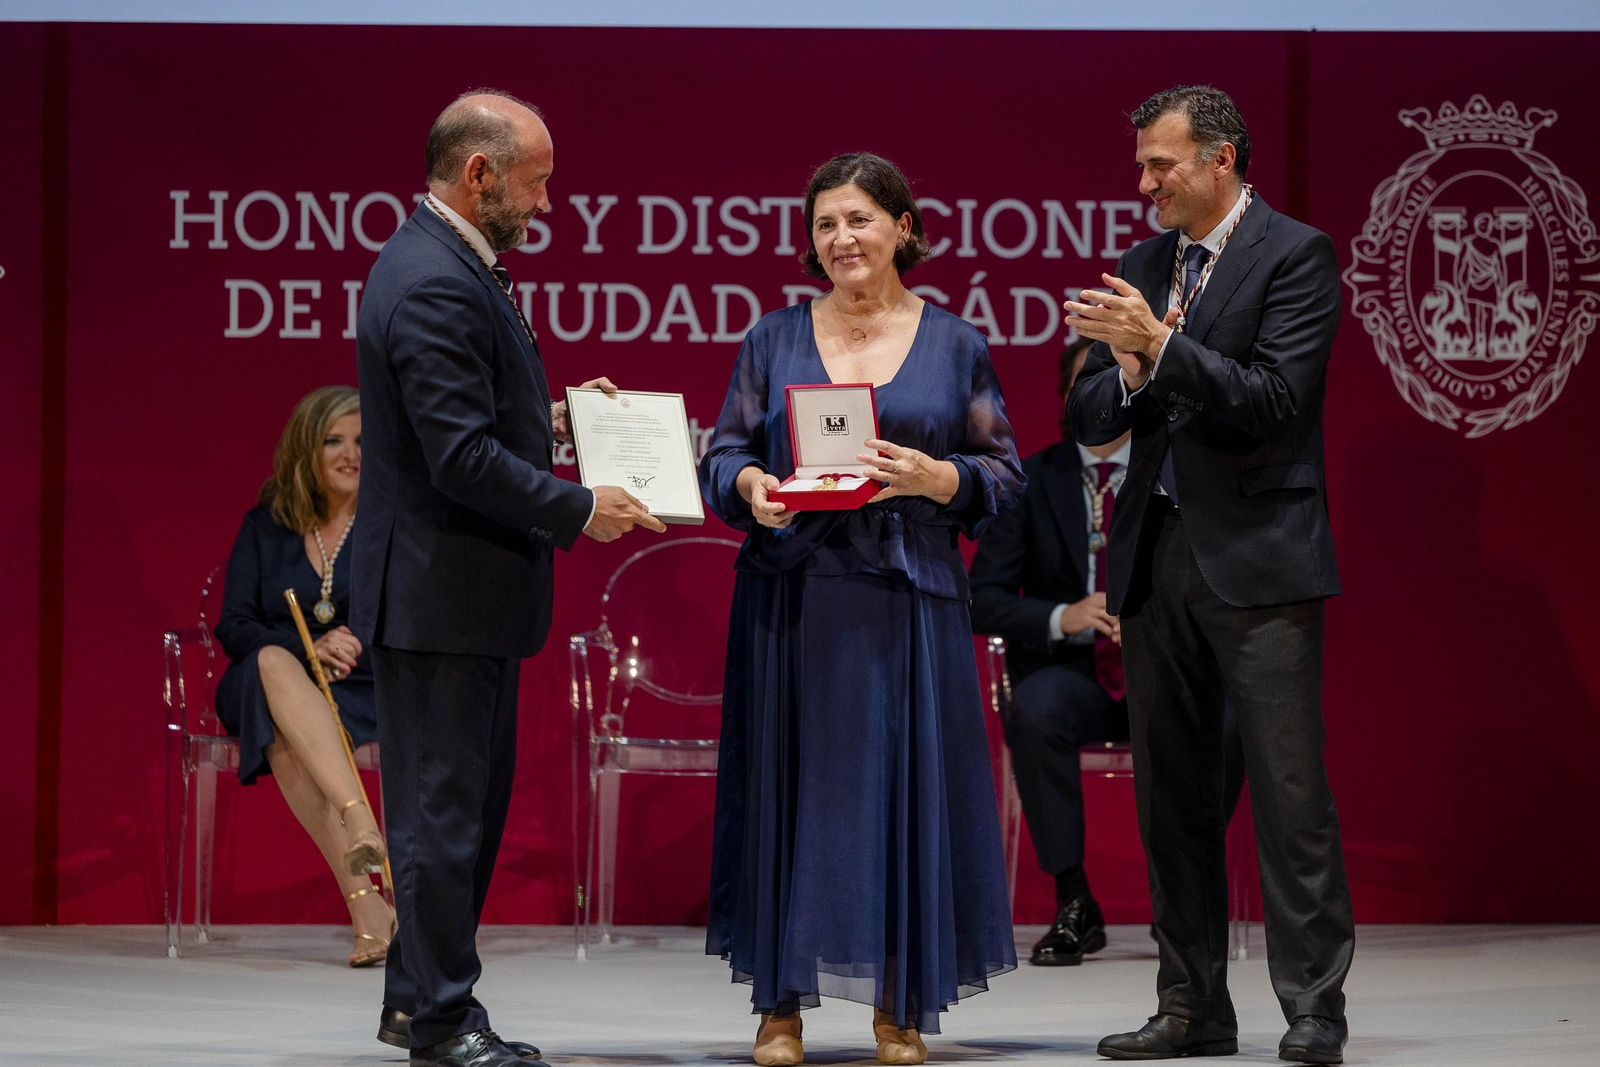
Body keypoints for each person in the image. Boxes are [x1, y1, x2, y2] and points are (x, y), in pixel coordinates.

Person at [351, 89, 664, 1067]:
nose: (546, 201)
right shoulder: (435, 278)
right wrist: (579, 506)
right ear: (478, 172)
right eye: (536, 181)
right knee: (442, 822)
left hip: (457, 596)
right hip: (439, 596)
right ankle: (444, 1022)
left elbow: (463, 418)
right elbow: (458, 457)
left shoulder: (443, 260)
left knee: (458, 817)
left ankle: (415, 999)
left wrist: (559, 418)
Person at [700, 152, 1023, 1067]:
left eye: (859, 219)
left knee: (902, 797)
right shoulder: (772, 337)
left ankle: (899, 1005)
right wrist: (753, 486)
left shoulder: (956, 342)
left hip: (909, 599)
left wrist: (939, 476)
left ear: (902, 227)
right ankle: (779, 1008)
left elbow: (1003, 473)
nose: (841, 238)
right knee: (790, 791)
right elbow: (724, 454)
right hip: (792, 596)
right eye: (825, 224)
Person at [1064, 85, 1354, 1064]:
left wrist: (1159, 346)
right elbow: (1087, 414)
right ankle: (1191, 1006)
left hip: (1261, 555)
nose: (1144, 183)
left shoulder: (1296, 254)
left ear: (1219, 159)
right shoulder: (1146, 265)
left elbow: (1274, 399)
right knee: (1172, 799)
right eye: (1141, 164)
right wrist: (1129, 366)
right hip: (1155, 554)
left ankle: (1314, 1009)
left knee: (1288, 794)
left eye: (1160, 164)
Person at [969, 339, 1244, 969]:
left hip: (1167, 666)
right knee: (1036, 709)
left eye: (1119, 377)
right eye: (1087, 382)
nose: (1104, 394)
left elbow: (1220, 580)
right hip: (1076, 676)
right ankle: (1074, 901)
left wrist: (1159, 613)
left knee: (1230, 718)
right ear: (1067, 399)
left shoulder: (1178, 472)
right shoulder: (1028, 483)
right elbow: (982, 600)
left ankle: (1182, 894)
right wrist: (1064, 616)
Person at [214, 384, 391, 968]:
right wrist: (306, 646)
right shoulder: (266, 525)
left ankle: (369, 912)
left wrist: (356, 642)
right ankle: (358, 815)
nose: (350, 454)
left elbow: (410, 612)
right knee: (270, 665)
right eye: (334, 440)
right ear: (306, 449)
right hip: (265, 680)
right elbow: (233, 624)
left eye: (362, 442)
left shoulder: (388, 525)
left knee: (285, 736)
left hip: (359, 683)